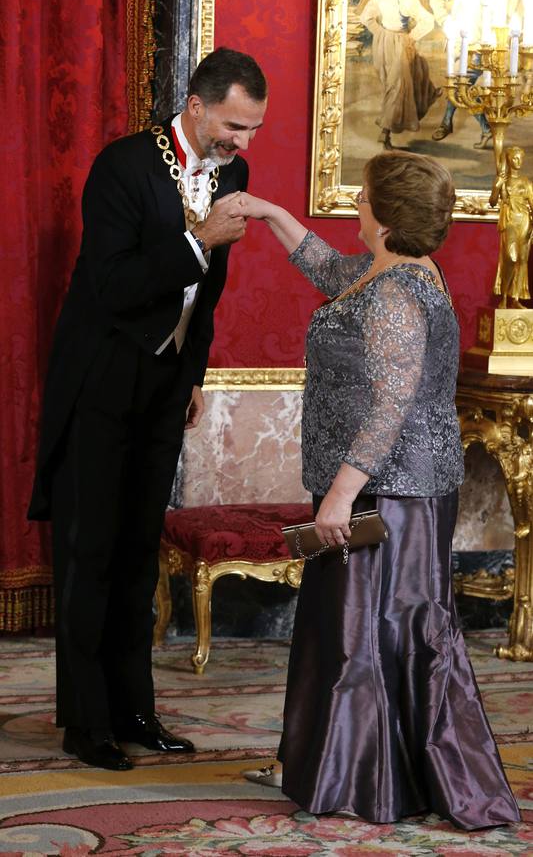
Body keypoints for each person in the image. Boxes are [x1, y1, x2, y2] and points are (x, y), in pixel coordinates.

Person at [239, 151, 520, 830]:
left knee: (367, 635)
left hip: (388, 492)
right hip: (385, 484)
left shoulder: (396, 293)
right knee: (354, 631)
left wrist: (339, 496)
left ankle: (368, 781)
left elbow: (388, 406)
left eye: (363, 197)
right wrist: (273, 215)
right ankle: (343, 768)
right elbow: (331, 271)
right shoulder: (392, 270)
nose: (355, 204)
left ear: (386, 216)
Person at [27, 47, 267, 771]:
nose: (243, 144)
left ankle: (135, 710)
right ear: (194, 105)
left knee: (139, 553)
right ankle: (86, 721)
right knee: (91, 551)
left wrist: (191, 372)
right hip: (100, 378)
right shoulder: (122, 167)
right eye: (233, 125)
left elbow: (209, 294)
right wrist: (198, 241)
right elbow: (115, 285)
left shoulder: (234, 172)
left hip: (166, 382)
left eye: (253, 129)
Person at [359, 0, 440, 150]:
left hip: (383, 42)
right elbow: (427, 20)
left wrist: (380, 32)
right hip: (398, 43)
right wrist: (411, 37)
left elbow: (366, 17)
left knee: (416, 70)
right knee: (397, 87)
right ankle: (385, 133)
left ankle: (428, 94)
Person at [430, 0, 494, 148]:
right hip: (458, 46)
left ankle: (483, 128)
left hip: (478, 49)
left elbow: (494, 22)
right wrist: (443, 19)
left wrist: (486, 47)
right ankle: (454, 123)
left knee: (461, 88)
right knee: (458, 88)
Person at [490, 145, 533, 308]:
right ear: (508, 160)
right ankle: (505, 296)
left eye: (520, 158)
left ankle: (515, 298)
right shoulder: (503, 180)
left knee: (522, 260)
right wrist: (497, 186)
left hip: (524, 221)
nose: (518, 161)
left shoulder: (526, 182)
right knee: (511, 257)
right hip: (509, 220)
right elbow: (493, 202)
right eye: (515, 158)